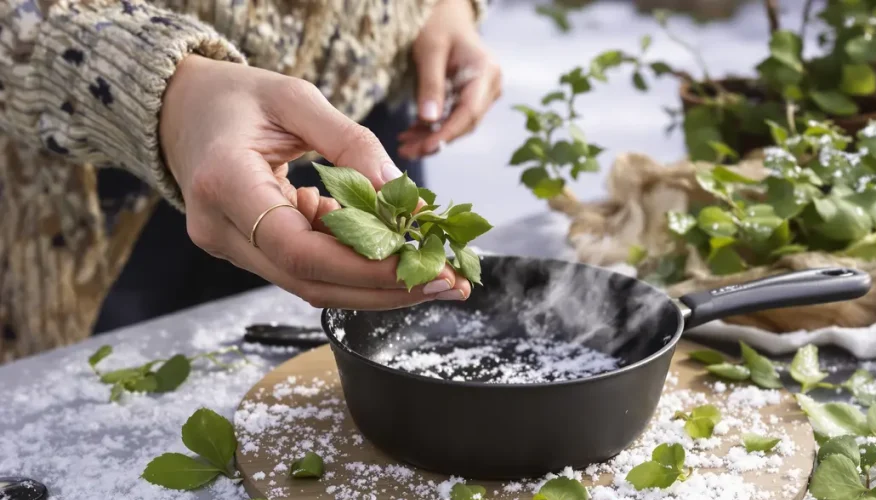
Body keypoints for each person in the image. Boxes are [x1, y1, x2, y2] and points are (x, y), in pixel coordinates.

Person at [0, 0, 502, 363]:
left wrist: (443, 8)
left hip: (363, 123)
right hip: (114, 152)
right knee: (118, 388)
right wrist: (162, 89)